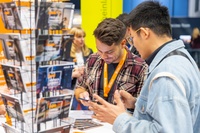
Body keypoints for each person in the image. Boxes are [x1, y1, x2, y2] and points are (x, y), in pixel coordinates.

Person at [88, 1, 200, 133]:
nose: (133, 45)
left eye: (132, 38)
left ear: (144, 33)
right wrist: (137, 104)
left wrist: (118, 119)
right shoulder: (181, 58)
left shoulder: (166, 75)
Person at [74, 18, 147, 107]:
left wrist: (133, 104)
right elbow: (79, 87)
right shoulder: (93, 59)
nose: (103, 56)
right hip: (94, 118)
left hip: (120, 120)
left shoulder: (139, 67)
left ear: (123, 43)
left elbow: (145, 108)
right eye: (100, 50)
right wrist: (81, 94)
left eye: (109, 52)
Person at [63, 27, 93, 110]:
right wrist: (72, 74)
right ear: (72, 38)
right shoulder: (65, 55)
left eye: (83, 36)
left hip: (86, 90)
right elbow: (61, 76)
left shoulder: (89, 52)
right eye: (79, 37)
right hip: (71, 90)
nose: (82, 39)